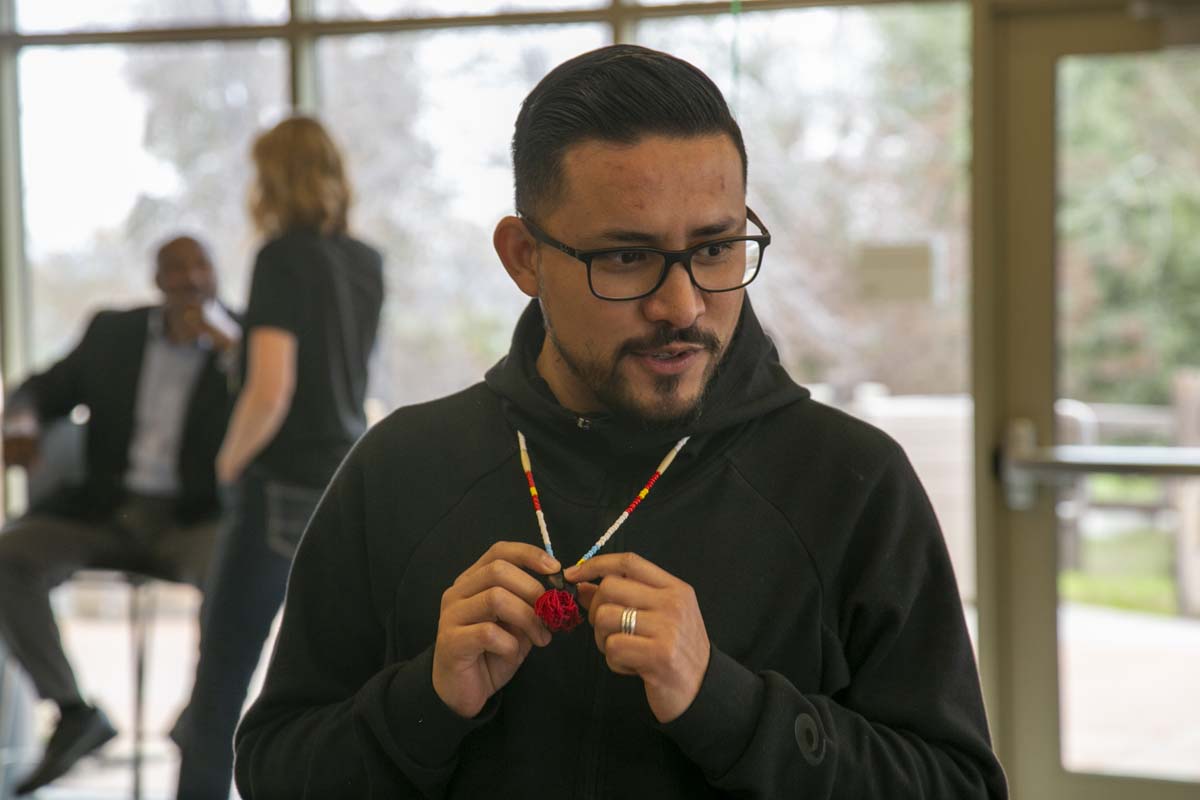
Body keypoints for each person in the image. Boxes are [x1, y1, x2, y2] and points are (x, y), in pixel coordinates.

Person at [234, 45, 1008, 799]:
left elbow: (960, 784)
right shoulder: (400, 468)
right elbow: (273, 768)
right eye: (627, 259)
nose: (683, 306)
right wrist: (425, 704)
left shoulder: (852, 483)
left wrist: (727, 705)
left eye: (715, 248)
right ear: (524, 257)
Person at [174, 116, 384, 800]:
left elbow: (275, 387)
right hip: (344, 478)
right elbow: (338, 377)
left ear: (273, 179)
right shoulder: (364, 260)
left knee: (223, 679)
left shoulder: (278, 256)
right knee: (329, 679)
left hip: (281, 488)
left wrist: (227, 463)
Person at [0, 235, 240, 796]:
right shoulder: (114, 333)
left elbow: (275, 413)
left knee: (232, 569)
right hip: (106, 512)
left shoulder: (248, 343)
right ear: (157, 281)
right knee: (8, 556)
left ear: (217, 274)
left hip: (194, 518)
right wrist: (24, 422)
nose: (189, 278)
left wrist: (231, 348)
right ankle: (73, 711)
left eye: (201, 264)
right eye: (174, 268)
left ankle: (201, 718)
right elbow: (40, 388)